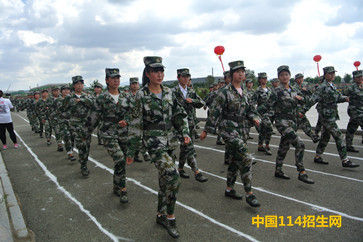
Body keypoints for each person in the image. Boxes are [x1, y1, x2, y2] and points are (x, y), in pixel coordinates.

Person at [126, 56, 190, 238]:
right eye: (155, 71)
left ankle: (160, 215)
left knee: (164, 182)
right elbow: (136, 123)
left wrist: (185, 132)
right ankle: (171, 217)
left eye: (162, 70)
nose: (160, 74)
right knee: (173, 177)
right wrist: (132, 150)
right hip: (154, 144)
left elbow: (179, 114)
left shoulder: (169, 92)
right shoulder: (141, 95)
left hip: (170, 141)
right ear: (147, 73)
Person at [200, 60, 261, 207]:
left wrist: (255, 118)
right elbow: (215, 112)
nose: (241, 74)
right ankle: (249, 193)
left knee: (234, 161)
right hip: (228, 131)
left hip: (242, 131)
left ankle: (229, 189)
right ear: (232, 74)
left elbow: (251, 110)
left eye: (243, 72)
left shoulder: (245, 92)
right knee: (246, 158)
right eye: (238, 72)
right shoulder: (224, 92)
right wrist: (206, 130)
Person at [258, 66, 314, 184]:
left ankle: (278, 170)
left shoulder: (294, 89)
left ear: (289, 76)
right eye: (282, 75)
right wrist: (253, 113)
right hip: (282, 123)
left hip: (292, 122)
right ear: (279, 77)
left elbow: (308, 101)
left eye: (286, 74)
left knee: (284, 147)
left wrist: (302, 98)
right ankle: (302, 172)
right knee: (300, 144)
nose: (284, 77)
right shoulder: (276, 91)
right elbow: (267, 105)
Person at [88, 68, 130, 203]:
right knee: (119, 158)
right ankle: (123, 188)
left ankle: (117, 185)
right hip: (108, 132)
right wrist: (85, 133)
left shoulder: (125, 96)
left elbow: (132, 113)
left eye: (118, 77)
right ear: (107, 80)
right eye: (113, 78)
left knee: (121, 162)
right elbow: (93, 117)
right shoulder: (101, 98)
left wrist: (127, 121)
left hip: (123, 133)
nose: (116, 80)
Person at [311, 66, 359, 168]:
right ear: (325, 75)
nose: (332, 75)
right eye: (330, 73)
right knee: (339, 136)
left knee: (325, 137)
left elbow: (337, 97)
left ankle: (318, 156)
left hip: (331, 115)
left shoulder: (332, 85)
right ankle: (345, 160)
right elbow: (313, 100)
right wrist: (302, 110)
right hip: (326, 116)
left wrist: (345, 98)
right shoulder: (322, 87)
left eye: (333, 73)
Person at [172, 68, 207, 182]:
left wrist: (192, 101)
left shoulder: (191, 92)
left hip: (190, 124)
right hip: (179, 125)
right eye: (184, 76)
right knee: (190, 147)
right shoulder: (173, 92)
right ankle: (197, 172)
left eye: (188, 76)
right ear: (178, 78)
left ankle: (181, 168)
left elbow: (201, 103)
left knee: (184, 147)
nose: (186, 79)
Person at [63, 76, 94, 176]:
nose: (80, 86)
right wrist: (68, 121)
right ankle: (83, 165)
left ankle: (84, 161)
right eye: (77, 84)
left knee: (87, 144)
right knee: (81, 145)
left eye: (81, 84)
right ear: (73, 85)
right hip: (75, 124)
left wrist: (82, 101)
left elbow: (93, 104)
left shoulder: (87, 96)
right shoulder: (69, 97)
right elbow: (63, 110)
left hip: (86, 124)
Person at [128, 77, 151, 162]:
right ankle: (142, 153)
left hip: (143, 120)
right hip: (132, 120)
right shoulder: (127, 95)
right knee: (135, 137)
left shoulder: (143, 94)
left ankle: (138, 154)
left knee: (143, 137)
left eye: (136, 83)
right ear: (130, 85)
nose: (135, 85)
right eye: (133, 84)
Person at [293, 73, 320, 143]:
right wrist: (301, 93)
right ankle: (313, 137)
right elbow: (295, 97)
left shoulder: (304, 88)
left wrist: (316, 88)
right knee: (304, 122)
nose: (301, 79)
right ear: (296, 80)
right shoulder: (293, 88)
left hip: (302, 108)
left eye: (302, 78)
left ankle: (289, 137)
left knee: (296, 125)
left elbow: (311, 97)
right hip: (296, 108)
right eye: (299, 78)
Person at [254, 72, 273, 155]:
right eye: (263, 78)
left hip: (270, 113)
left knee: (263, 130)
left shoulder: (269, 90)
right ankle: (267, 146)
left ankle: (260, 145)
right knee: (270, 128)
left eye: (266, 78)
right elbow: (252, 102)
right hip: (262, 113)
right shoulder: (258, 90)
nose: (265, 79)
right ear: (259, 80)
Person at [345, 70, 363, 152]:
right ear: (354, 79)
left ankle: (348, 145)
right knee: (352, 127)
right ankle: (348, 145)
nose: (360, 78)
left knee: (351, 128)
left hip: (361, 111)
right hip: (355, 111)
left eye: (361, 76)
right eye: (358, 77)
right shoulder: (351, 88)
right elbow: (343, 95)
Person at [58, 86, 76, 161]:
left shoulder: (73, 99)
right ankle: (70, 153)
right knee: (67, 136)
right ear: (61, 91)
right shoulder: (58, 100)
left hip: (72, 121)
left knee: (72, 136)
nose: (66, 91)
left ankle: (70, 149)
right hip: (62, 121)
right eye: (64, 90)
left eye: (68, 89)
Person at [47, 86, 64, 151]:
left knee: (62, 132)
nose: (56, 92)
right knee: (57, 131)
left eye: (57, 90)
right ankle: (59, 144)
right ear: (52, 91)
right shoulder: (50, 99)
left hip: (62, 118)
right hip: (53, 118)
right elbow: (46, 105)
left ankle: (60, 142)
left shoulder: (62, 98)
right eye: (54, 90)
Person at [90, 81, 104, 145]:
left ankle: (100, 140)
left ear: (101, 89)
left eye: (98, 87)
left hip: (101, 114)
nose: (96, 89)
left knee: (100, 128)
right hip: (93, 115)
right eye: (95, 87)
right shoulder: (91, 96)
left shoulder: (104, 96)